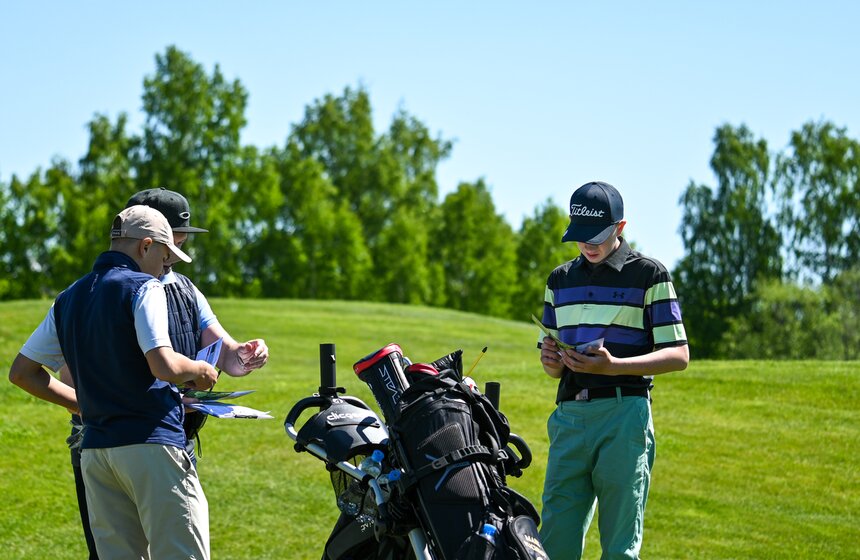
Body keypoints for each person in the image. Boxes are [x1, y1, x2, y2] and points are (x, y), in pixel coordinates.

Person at [61, 187, 270, 559]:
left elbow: (226, 354)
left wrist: (243, 354)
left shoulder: (185, 289)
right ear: (146, 239)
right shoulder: (107, 292)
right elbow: (73, 376)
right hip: (124, 438)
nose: (179, 249)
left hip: (167, 438)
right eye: (173, 237)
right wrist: (135, 399)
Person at [9, 205, 219, 559]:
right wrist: (199, 370)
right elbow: (163, 364)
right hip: (152, 445)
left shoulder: (68, 297)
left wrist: (81, 404)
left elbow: (22, 373)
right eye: (166, 258)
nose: (166, 268)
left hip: (97, 453)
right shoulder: (145, 287)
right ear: (146, 246)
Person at [537, 181, 689, 560]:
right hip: (570, 416)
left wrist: (614, 366)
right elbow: (553, 363)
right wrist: (552, 362)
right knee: (554, 542)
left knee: (620, 548)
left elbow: (678, 354)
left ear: (620, 228)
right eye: (582, 237)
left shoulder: (650, 275)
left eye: (599, 236)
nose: (589, 245)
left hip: (624, 415)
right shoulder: (559, 280)